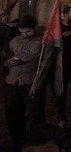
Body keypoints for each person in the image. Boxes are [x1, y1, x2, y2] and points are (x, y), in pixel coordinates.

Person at [3, 15, 53, 151]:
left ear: (35, 27)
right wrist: (9, 62)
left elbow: (46, 63)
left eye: (28, 31)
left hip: (31, 83)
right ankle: (18, 145)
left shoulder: (45, 40)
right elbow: (6, 59)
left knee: (35, 118)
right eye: (22, 32)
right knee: (13, 116)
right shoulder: (15, 40)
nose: (25, 34)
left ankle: (36, 147)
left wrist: (38, 82)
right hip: (12, 83)